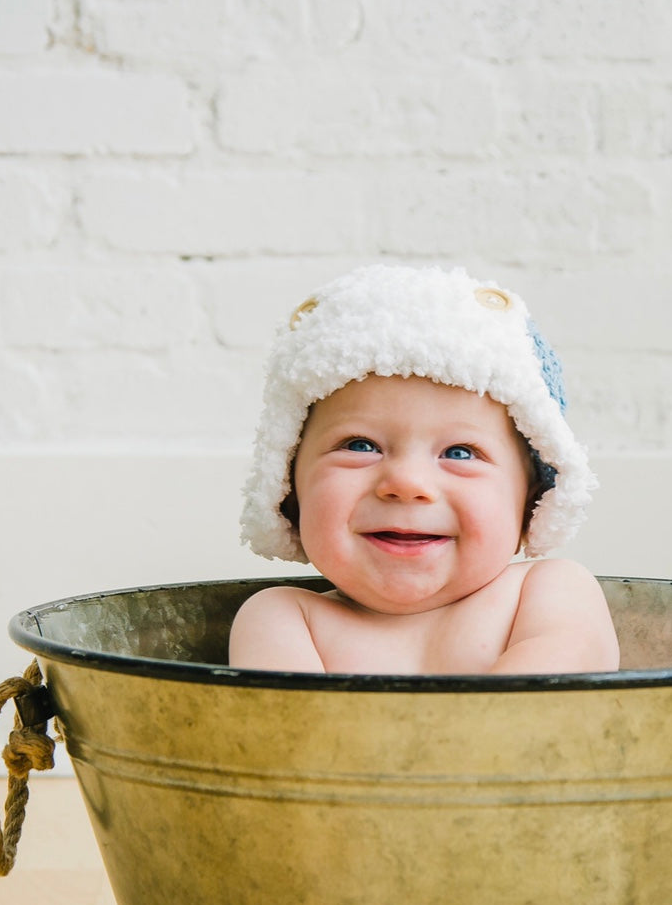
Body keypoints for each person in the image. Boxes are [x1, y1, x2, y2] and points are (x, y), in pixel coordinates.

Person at [230, 263, 620, 675]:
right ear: (288, 491)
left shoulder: (548, 591)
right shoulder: (283, 618)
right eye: (361, 446)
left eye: (460, 452)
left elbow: (542, 708)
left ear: (532, 502)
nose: (406, 483)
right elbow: (290, 733)